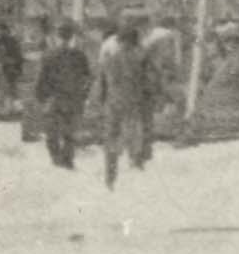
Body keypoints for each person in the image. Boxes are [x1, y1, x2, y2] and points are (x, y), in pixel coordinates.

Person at [91, 18, 156, 188]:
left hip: (113, 104)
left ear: (119, 41)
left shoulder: (109, 60)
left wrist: (100, 103)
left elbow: (100, 86)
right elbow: (150, 83)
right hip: (134, 104)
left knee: (111, 138)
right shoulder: (141, 60)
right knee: (135, 137)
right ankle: (136, 165)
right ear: (135, 42)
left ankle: (110, 175)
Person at [33, 22, 92, 171]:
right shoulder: (79, 55)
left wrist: (39, 96)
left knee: (51, 131)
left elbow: (41, 78)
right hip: (73, 98)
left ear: (57, 36)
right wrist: (83, 95)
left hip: (54, 98)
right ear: (71, 36)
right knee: (69, 131)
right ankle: (67, 159)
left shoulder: (49, 55)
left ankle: (56, 158)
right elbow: (87, 78)